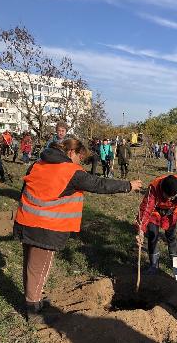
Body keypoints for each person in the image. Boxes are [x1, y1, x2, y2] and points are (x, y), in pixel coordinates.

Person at [13, 138, 142, 322]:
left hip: (26, 220)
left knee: (30, 265)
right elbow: (99, 184)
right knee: (39, 268)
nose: (79, 162)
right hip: (46, 226)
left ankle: (35, 300)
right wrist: (127, 185)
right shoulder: (70, 171)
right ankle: (33, 310)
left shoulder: (38, 163)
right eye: (80, 158)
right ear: (71, 153)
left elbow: (26, 189)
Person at [135, 174, 177, 274]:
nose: (169, 199)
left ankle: (175, 263)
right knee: (153, 235)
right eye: (167, 196)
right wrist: (141, 231)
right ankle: (154, 265)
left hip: (172, 213)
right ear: (162, 191)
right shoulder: (154, 189)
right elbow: (146, 210)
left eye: (173, 197)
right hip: (155, 212)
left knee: (171, 237)